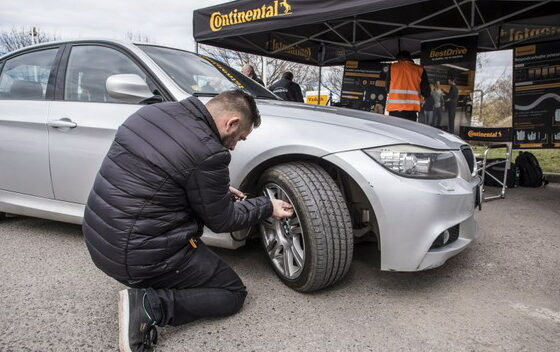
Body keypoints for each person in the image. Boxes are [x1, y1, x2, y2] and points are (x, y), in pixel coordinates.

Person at [82, 90, 294, 352]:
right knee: (232, 293)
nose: (234, 146)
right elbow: (223, 220)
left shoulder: (151, 114)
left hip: (100, 239)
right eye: (240, 138)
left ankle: (146, 286)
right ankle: (150, 305)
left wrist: (213, 188)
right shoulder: (208, 153)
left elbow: (159, 173)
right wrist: (266, 205)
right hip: (138, 255)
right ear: (232, 123)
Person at [385, 50, 430, 121]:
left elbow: (387, 88)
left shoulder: (392, 68)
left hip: (395, 110)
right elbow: (426, 92)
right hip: (411, 111)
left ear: (399, 59)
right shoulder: (420, 69)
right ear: (410, 58)